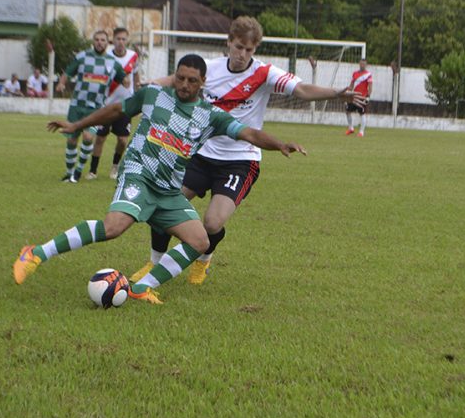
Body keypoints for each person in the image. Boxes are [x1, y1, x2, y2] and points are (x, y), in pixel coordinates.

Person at [12, 54, 306, 305]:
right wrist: (77, 124)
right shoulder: (153, 95)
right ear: (175, 76)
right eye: (180, 78)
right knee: (114, 227)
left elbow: (250, 134)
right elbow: (117, 110)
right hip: (138, 174)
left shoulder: (210, 116)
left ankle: (141, 287)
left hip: (167, 191)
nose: (184, 85)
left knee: (200, 241)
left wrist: (278, 144)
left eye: (192, 81)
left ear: (203, 83)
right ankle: (36, 254)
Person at [131, 15, 365, 286]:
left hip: (240, 160)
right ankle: (153, 262)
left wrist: (335, 93)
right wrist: (149, 86)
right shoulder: (210, 68)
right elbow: (174, 80)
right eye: (239, 47)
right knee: (163, 205)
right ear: (229, 42)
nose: (242, 54)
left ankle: (203, 260)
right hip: (200, 153)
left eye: (249, 50)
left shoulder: (265, 74)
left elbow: (301, 89)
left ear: (255, 50)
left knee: (212, 223)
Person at [55, 30, 126, 183]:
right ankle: (69, 173)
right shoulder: (82, 57)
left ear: (108, 43)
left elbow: (124, 79)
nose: (100, 42)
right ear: (93, 41)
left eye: (103, 40)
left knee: (88, 137)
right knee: (72, 140)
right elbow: (67, 73)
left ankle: (78, 172)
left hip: (96, 108)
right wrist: (61, 83)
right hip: (77, 106)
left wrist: (131, 82)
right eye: (97, 39)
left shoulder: (113, 62)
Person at [87, 27, 140, 181]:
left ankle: (115, 166)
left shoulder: (133, 56)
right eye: (118, 39)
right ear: (113, 41)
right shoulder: (106, 57)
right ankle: (93, 170)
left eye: (124, 39)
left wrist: (138, 98)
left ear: (127, 41)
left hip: (125, 105)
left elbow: (136, 77)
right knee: (100, 138)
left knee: (123, 140)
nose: (121, 42)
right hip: (106, 104)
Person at [345, 58, 372, 137]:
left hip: (362, 97)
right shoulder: (355, 73)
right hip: (354, 96)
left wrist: (368, 96)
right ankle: (351, 128)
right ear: (359, 64)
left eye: (364, 64)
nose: (362, 65)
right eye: (361, 64)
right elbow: (351, 85)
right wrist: (347, 92)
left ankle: (361, 132)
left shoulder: (368, 74)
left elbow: (370, 87)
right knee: (347, 111)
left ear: (366, 65)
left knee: (362, 113)